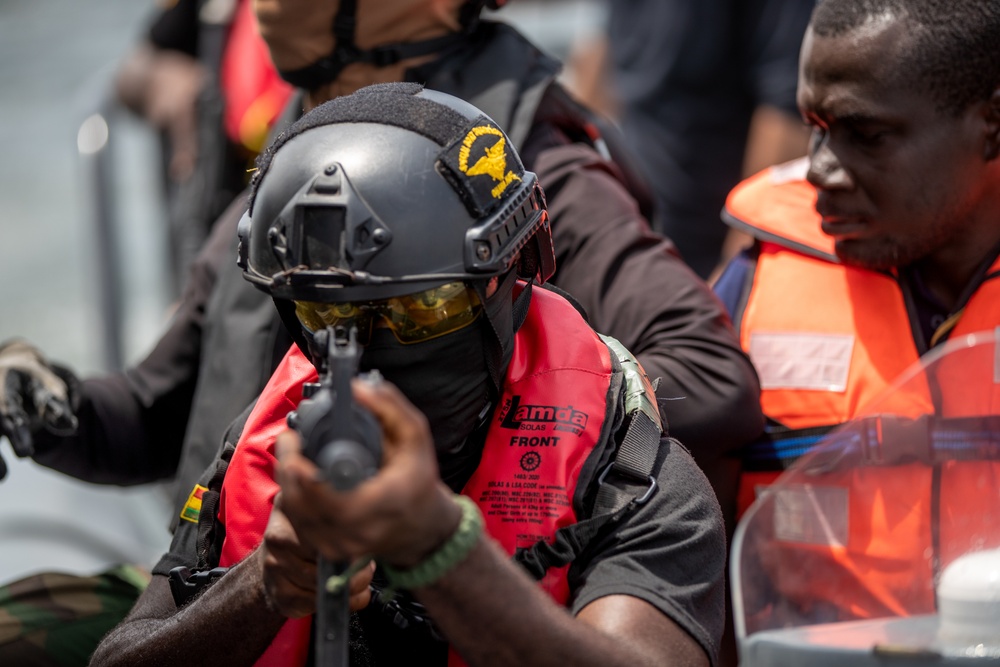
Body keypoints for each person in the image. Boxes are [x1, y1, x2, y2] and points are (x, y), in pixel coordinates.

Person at [2, 0, 761, 523]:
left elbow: (710, 374)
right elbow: (157, 417)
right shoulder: (297, 172)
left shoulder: (529, 178)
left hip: (430, 592)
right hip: (240, 583)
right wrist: (43, 402)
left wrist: (477, 440)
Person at [88, 82, 726, 667]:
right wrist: (261, 586)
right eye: (328, 315)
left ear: (503, 280)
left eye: (422, 309)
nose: (368, 352)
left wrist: (439, 548)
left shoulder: (629, 476)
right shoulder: (265, 451)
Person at [714, 0, 1000, 546]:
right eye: (815, 128)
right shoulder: (750, 286)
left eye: (866, 136)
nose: (820, 169)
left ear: (992, 123)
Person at [600, 0, 816, 279]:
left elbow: (786, 110)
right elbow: (600, 55)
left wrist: (737, 266)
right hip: (633, 240)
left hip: (713, 255)